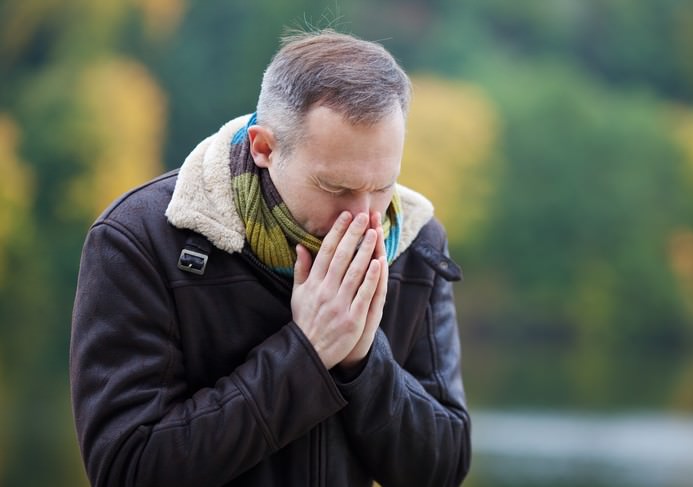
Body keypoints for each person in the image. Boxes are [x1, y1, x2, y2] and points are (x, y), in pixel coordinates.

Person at [70, 29, 471, 487]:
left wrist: (363, 360)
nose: (365, 218)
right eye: (336, 188)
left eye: (381, 187)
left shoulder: (417, 244)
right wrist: (307, 352)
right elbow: (127, 470)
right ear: (264, 148)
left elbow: (442, 469)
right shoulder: (139, 239)